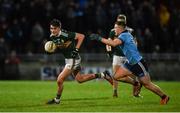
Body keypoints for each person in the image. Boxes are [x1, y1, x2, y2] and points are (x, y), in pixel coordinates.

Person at [89, 17, 169, 105]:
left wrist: (99, 38)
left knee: (147, 84)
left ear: (120, 28)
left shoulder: (124, 35)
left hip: (138, 63)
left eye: (116, 28)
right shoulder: (125, 34)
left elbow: (114, 43)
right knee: (116, 76)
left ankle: (164, 97)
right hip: (130, 63)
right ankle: (136, 83)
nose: (114, 30)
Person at [46, 19, 113, 104]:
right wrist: (50, 50)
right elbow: (59, 45)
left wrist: (76, 49)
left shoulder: (65, 34)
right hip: (68, 59)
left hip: (73, 59)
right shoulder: (52, 36)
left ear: (59, 28)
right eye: (51, 28)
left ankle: (57, 100)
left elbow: (81, 36)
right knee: (80, 79)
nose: (52, 30)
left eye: (55, 28)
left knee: (60, 80)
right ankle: (103, 75)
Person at [106, 14, 141, 98]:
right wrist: (109, 51)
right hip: (118, 55)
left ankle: (135, 93)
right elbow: (109, 42)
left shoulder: (130, 31)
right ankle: (115, 92)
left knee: (132, 75)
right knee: (115, 75)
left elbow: (135, 42)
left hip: (127, 56)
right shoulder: (113, 31)